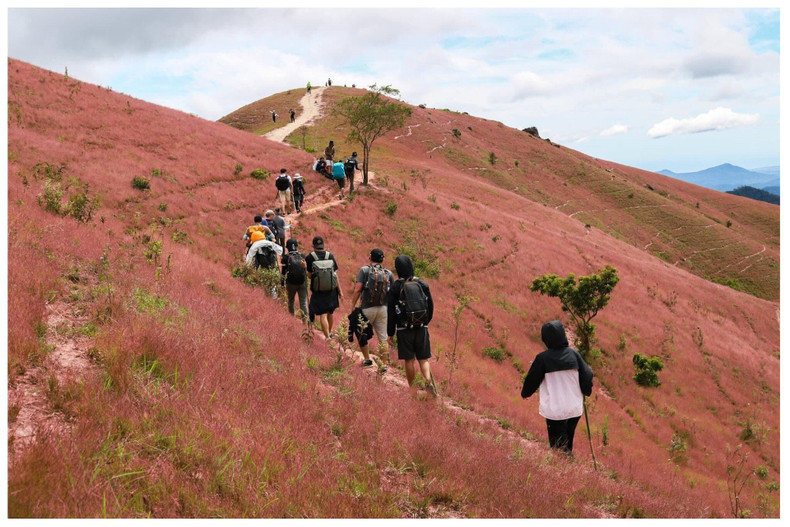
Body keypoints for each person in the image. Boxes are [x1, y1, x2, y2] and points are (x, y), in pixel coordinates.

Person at [521, 320, 594, 456]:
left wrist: (525, 393)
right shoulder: (574, 354)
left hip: (555, 411)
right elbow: (588, 375)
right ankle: (567, 469)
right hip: (574, 409)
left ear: (546, 339)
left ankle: (568, 470)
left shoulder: (543, 359)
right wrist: (587, 390)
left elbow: (532, 379)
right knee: (567, 442)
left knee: (559, 449)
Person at [387, 254, 437, 395]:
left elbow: (390, 312)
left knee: (409, 360)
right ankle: (428, 383)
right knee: (423, 358)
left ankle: (413, 390)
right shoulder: (422, 284)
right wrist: (425, 322)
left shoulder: (396, 287)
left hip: (404, 329)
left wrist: (390, 333)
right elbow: (430, 307)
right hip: (421, 328)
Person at [350, 249, 394, 368]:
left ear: (370, 257)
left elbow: (358, 289)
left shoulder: (364, 270)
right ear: (383, 259)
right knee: (383, 338)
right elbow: (392, 293)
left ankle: (367, 359)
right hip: (383, 309)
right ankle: (383, 365)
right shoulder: (389, 273)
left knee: (362, 333)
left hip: (366, 308)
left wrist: (353, 305)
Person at [306, 236, 343, 340]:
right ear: (323, 245)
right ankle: (330, 332)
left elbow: (309, 275)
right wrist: (340, 291)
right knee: (330, 312)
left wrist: (304, 268)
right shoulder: (330, 255)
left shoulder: (310, 257)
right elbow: (335, 275)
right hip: (332, 289)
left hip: (318, 290)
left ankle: (327, 337)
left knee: (322, 314)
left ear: (313, 245)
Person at [281, 238, 308, 321]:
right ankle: (305, 321)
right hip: (302, 282)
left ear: (287, 247)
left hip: (291, 283)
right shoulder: (303, 256)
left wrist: (282, 283)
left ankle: (292, 319)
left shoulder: (285, 257)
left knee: (291, 301)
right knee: (303, 302)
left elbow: (283, 272)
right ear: (297, 246)